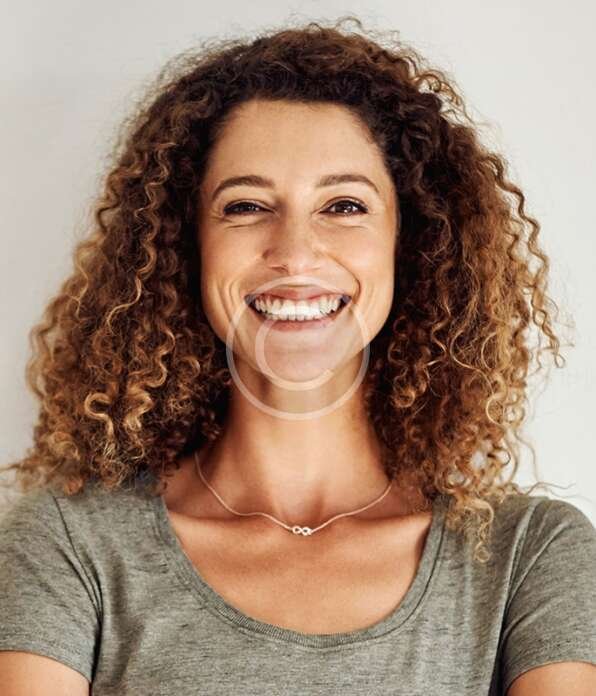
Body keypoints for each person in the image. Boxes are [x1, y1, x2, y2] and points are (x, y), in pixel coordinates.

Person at [0, 16, 595, 696]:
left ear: (411, 244)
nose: (295, 253)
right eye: (246, 206)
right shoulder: (70, 543)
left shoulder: (528, 555)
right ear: (187, 246)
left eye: (343, 205)